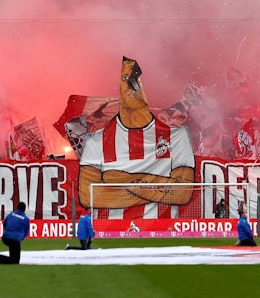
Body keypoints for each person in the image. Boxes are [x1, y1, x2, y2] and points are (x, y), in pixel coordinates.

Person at [77, 57, 195, 212]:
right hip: (110, 234)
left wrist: (123, 179)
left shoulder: (177, 136)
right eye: (126, 79)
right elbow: (89, 196)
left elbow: (182, 194)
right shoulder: (97, 140)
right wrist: (154, 189)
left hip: (163, 233)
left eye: (136, 79)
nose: (131, 86)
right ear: (119, 89)